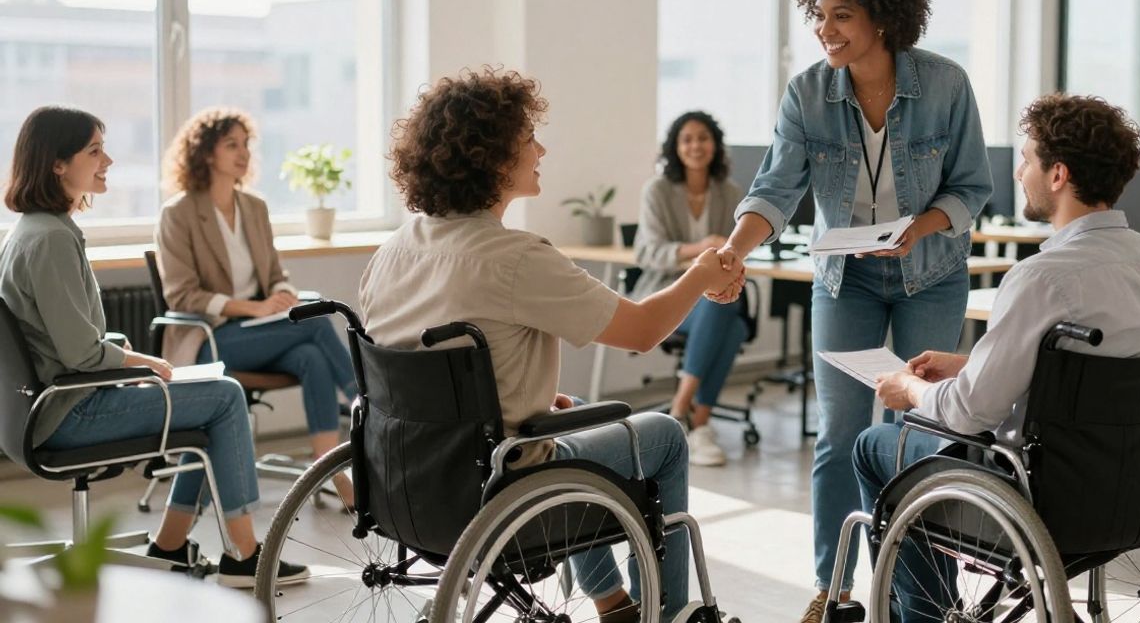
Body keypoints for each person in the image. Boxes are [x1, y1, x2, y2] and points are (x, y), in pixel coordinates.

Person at [358, 68, 741, 623]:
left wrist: (519, 399)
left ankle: (613, 604)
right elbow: (641, 332)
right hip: (502, 485)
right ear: (491, 157)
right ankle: (670, 611)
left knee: (579, 415)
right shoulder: (515, 258)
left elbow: (424, 367)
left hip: (408, 482)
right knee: (665, 436)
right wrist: (701, 275)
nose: (542, 148)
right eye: (527, 138)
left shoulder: (392, 250)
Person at [710, 0, 992, 621]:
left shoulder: (946, 85)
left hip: (930, 276)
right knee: (839, 435)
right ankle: (832, 586)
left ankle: (910, 587)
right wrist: (733, 251)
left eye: (841, 16)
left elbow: (973, 187)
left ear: (885, 20)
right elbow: (775, 188)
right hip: (845, 282)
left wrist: (914, 230)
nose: (824, 30)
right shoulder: (808, 91)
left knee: (912, 431)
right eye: (819, 15)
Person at [852, 94, 1140, 619]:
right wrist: (971, 365)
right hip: (1136, 491)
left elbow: (971, 414)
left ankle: (921, 616)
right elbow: (1082, 374)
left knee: (874, 445)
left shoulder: (1042, 277)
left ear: (1058, 175)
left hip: (1036, 496)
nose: (1018, 172)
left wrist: (912, 390)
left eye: (1027, 159)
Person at [0, 105, 309, 587]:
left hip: (53, 405)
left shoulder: (36, 232)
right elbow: (81, 354)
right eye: (94, 150)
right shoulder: (51, 241)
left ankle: (170, 543)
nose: (108, 161)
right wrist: (143, 360)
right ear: (58, 164)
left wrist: (123, 353)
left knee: (207, 407)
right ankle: (246, 556)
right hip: (70, 414)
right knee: (225, 395)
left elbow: (66, 339)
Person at [156, 107, 357, 506]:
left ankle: (329, 470)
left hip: (265, 329)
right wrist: (254, 310)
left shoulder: (254, 207)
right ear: (206, 153)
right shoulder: (178, 213)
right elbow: (182, 295)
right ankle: (366, 400)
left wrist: (281, 294)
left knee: (311, 357)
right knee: (317, 325)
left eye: (246, 144)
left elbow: (274, 273)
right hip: (211, 337)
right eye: (231, 144)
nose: (243, 152)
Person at [635, 110, 747, 466]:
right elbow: (647, 251)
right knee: (726, 312)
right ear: (675, 147)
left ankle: (689, 417)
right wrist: (701, 249)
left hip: (714, 295)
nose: (696, 145)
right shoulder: (657, 190)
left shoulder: (729, 193)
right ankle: (693, 417)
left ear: (714, 145)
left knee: (727, 313)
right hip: (666, 294)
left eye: (703, 138)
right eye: (687, 139)